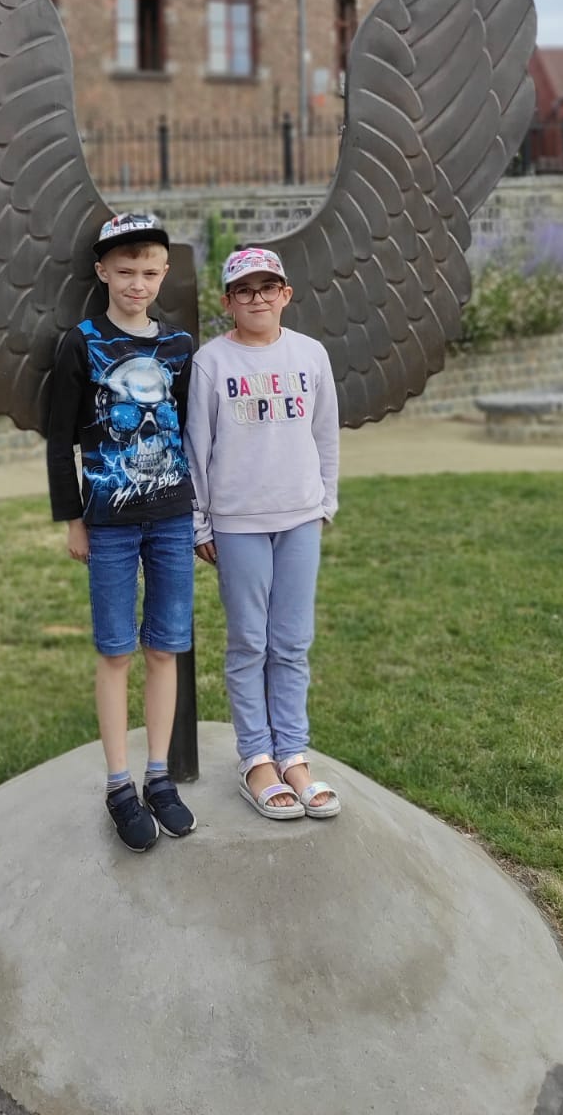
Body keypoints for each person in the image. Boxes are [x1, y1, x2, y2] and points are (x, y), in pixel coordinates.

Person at [46, 212, 198, 852]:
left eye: (150, 272)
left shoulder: (180, 348)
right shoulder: (81, 345)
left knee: (165, 647)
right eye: (127, 271)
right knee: (115, 651)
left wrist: (200, 515)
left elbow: (191, 431)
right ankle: (118, 784)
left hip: (171, 518)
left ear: (164, 274)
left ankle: (158, 776)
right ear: (103, 272)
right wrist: (74, 518)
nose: (139, 283)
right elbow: (59, 439)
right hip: (108, 523)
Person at [185, 246, 341, 821]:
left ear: (285, 294)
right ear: (227, 301)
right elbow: (196, 447)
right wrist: (201, 521)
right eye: (244, 290)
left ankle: (293, 754)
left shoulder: (311, 354)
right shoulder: (211, 362)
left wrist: (325, 501)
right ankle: (256, 759)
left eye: (267, 287)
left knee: (292, 642)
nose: (257, 298)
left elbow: (326, 433)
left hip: (299, 517)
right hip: (238, 523)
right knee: (250, 642)